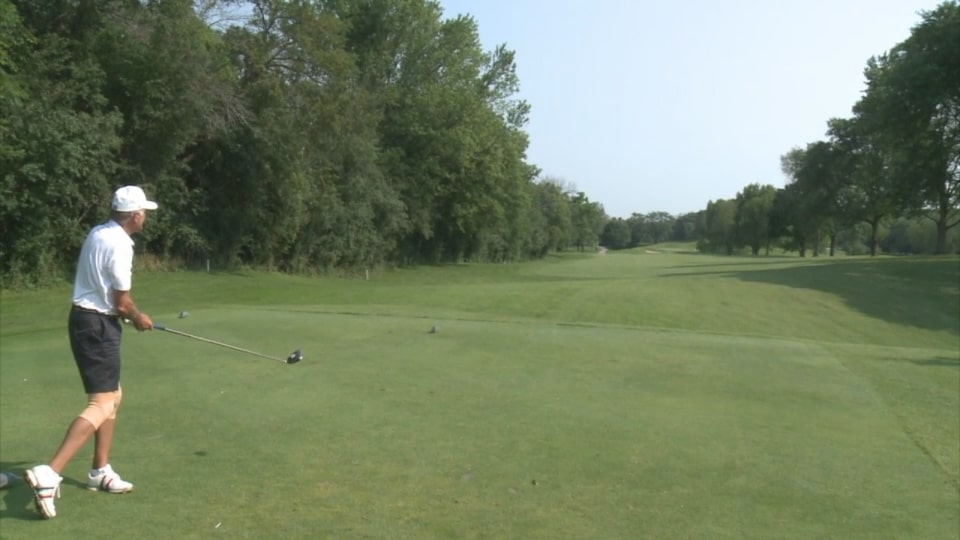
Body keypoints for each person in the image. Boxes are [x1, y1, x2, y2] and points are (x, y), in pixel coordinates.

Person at [25, 185, 157, 519]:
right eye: (144, 212)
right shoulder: (121, 245)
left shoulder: (99, 231)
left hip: (89, 320)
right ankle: (49, 472)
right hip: (96, 325)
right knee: (102, 402)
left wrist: (123, 314)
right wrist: (138, 317)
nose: (146, 218)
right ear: (135, 215)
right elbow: (121, 301)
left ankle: (100, 471)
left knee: (114, 394)